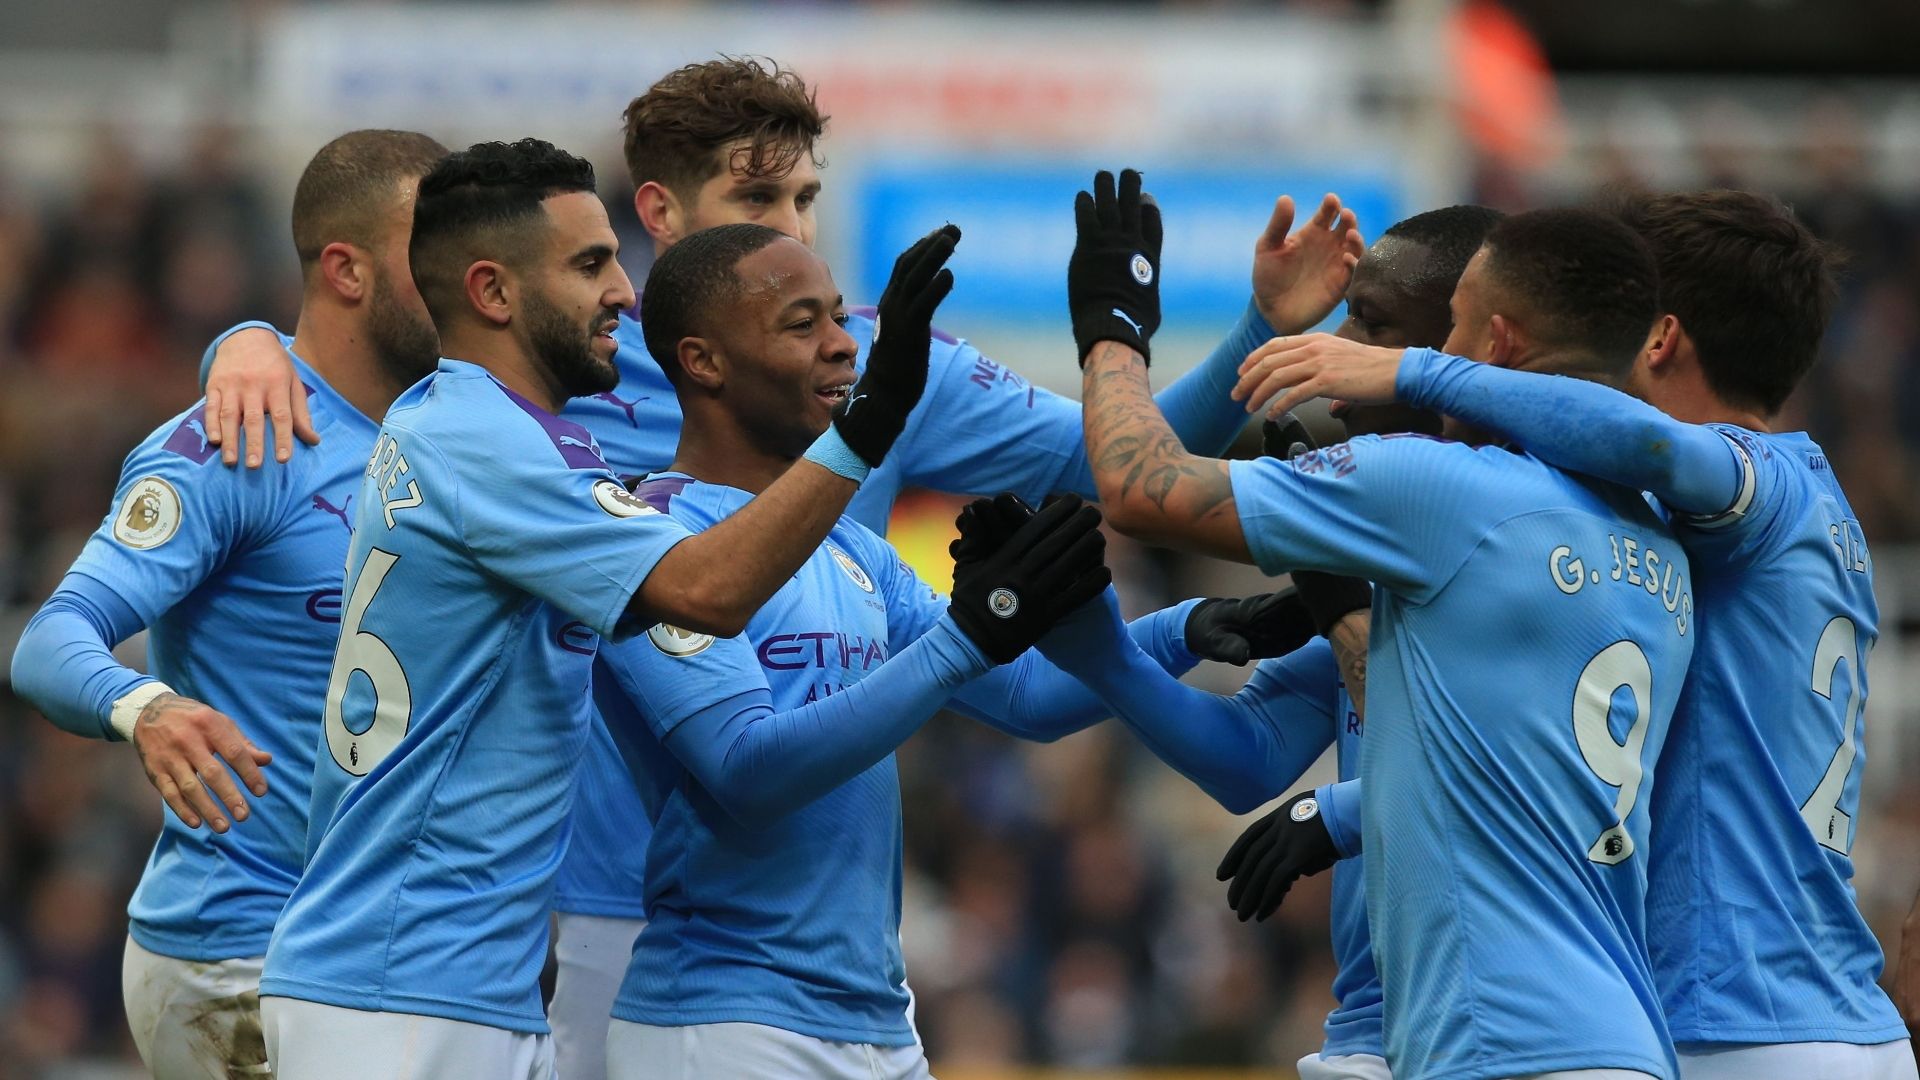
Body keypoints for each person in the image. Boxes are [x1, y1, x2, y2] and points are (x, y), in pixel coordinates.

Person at [195, 56, 1363, 1077]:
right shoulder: (556, 392)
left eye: (807, 198)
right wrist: (248, 343)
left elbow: (1129, 470)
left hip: (774, 960)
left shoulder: (864, 381)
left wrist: (1248, 356)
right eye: (757, 197)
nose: (795, 233)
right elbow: (410, 318)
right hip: (552, 926)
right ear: (659, 216)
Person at [254, 138, 961, 1080]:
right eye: (591, 264)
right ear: (494, 293)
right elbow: (707, 591)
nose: (625, 294)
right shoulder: (488, 443)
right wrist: (865, 425)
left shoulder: (485, 433)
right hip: (403, 988)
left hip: (454, 982)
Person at [1236, 189, 1917, 1080]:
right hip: (1838, 1015)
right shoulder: (1808, 519)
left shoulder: (1753, 481)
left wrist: (1412, 373)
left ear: (1659, 339)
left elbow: (1658, 448)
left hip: (1729, 1024)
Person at [590, 220, 1278, 1079]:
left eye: (840, 318)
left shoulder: (850, 548)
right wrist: (968, 633)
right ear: (703, 361)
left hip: (879, 1022)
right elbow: (746, 771)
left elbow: (1028, 699)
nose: (845, 347)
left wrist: (1188, 629)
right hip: (730, 1024)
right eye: (803, 325)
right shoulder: (658, 540)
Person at [1074, 168, 1693, 1080]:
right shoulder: (1660, 535)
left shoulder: (1438, 493)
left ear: (1491, 345)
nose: (1345, 349)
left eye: (1401, 330)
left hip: (1490, 1042)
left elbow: (1135, 486)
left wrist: (1113, 333)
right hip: (1618, 1040)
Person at [8, 129, 447, 1078]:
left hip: (406, 954)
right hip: (246, 950)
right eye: (436, 252)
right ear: (348, 269)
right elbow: (51, 639)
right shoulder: (237, 440)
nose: (466, 277)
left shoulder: (463, 433)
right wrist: (147, 707)